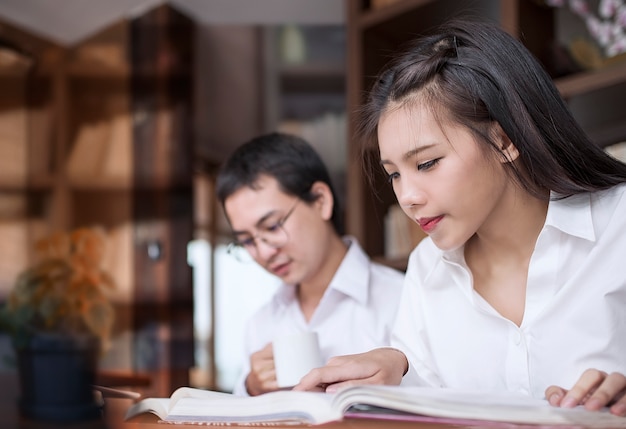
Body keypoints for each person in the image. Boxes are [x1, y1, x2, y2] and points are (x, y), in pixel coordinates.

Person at [294, 18, 626, 417]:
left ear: (504, 140)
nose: (407, 198)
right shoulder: (426, 271)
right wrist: (398, 370)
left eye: (428, 163)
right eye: (394, 174)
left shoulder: (617, 227)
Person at [215, 132, 405, 396]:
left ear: (320, 201)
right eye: (246, 240)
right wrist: (251, 388)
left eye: (272, 226)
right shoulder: (262, 323)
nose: (264, 252)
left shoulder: (402, 300)